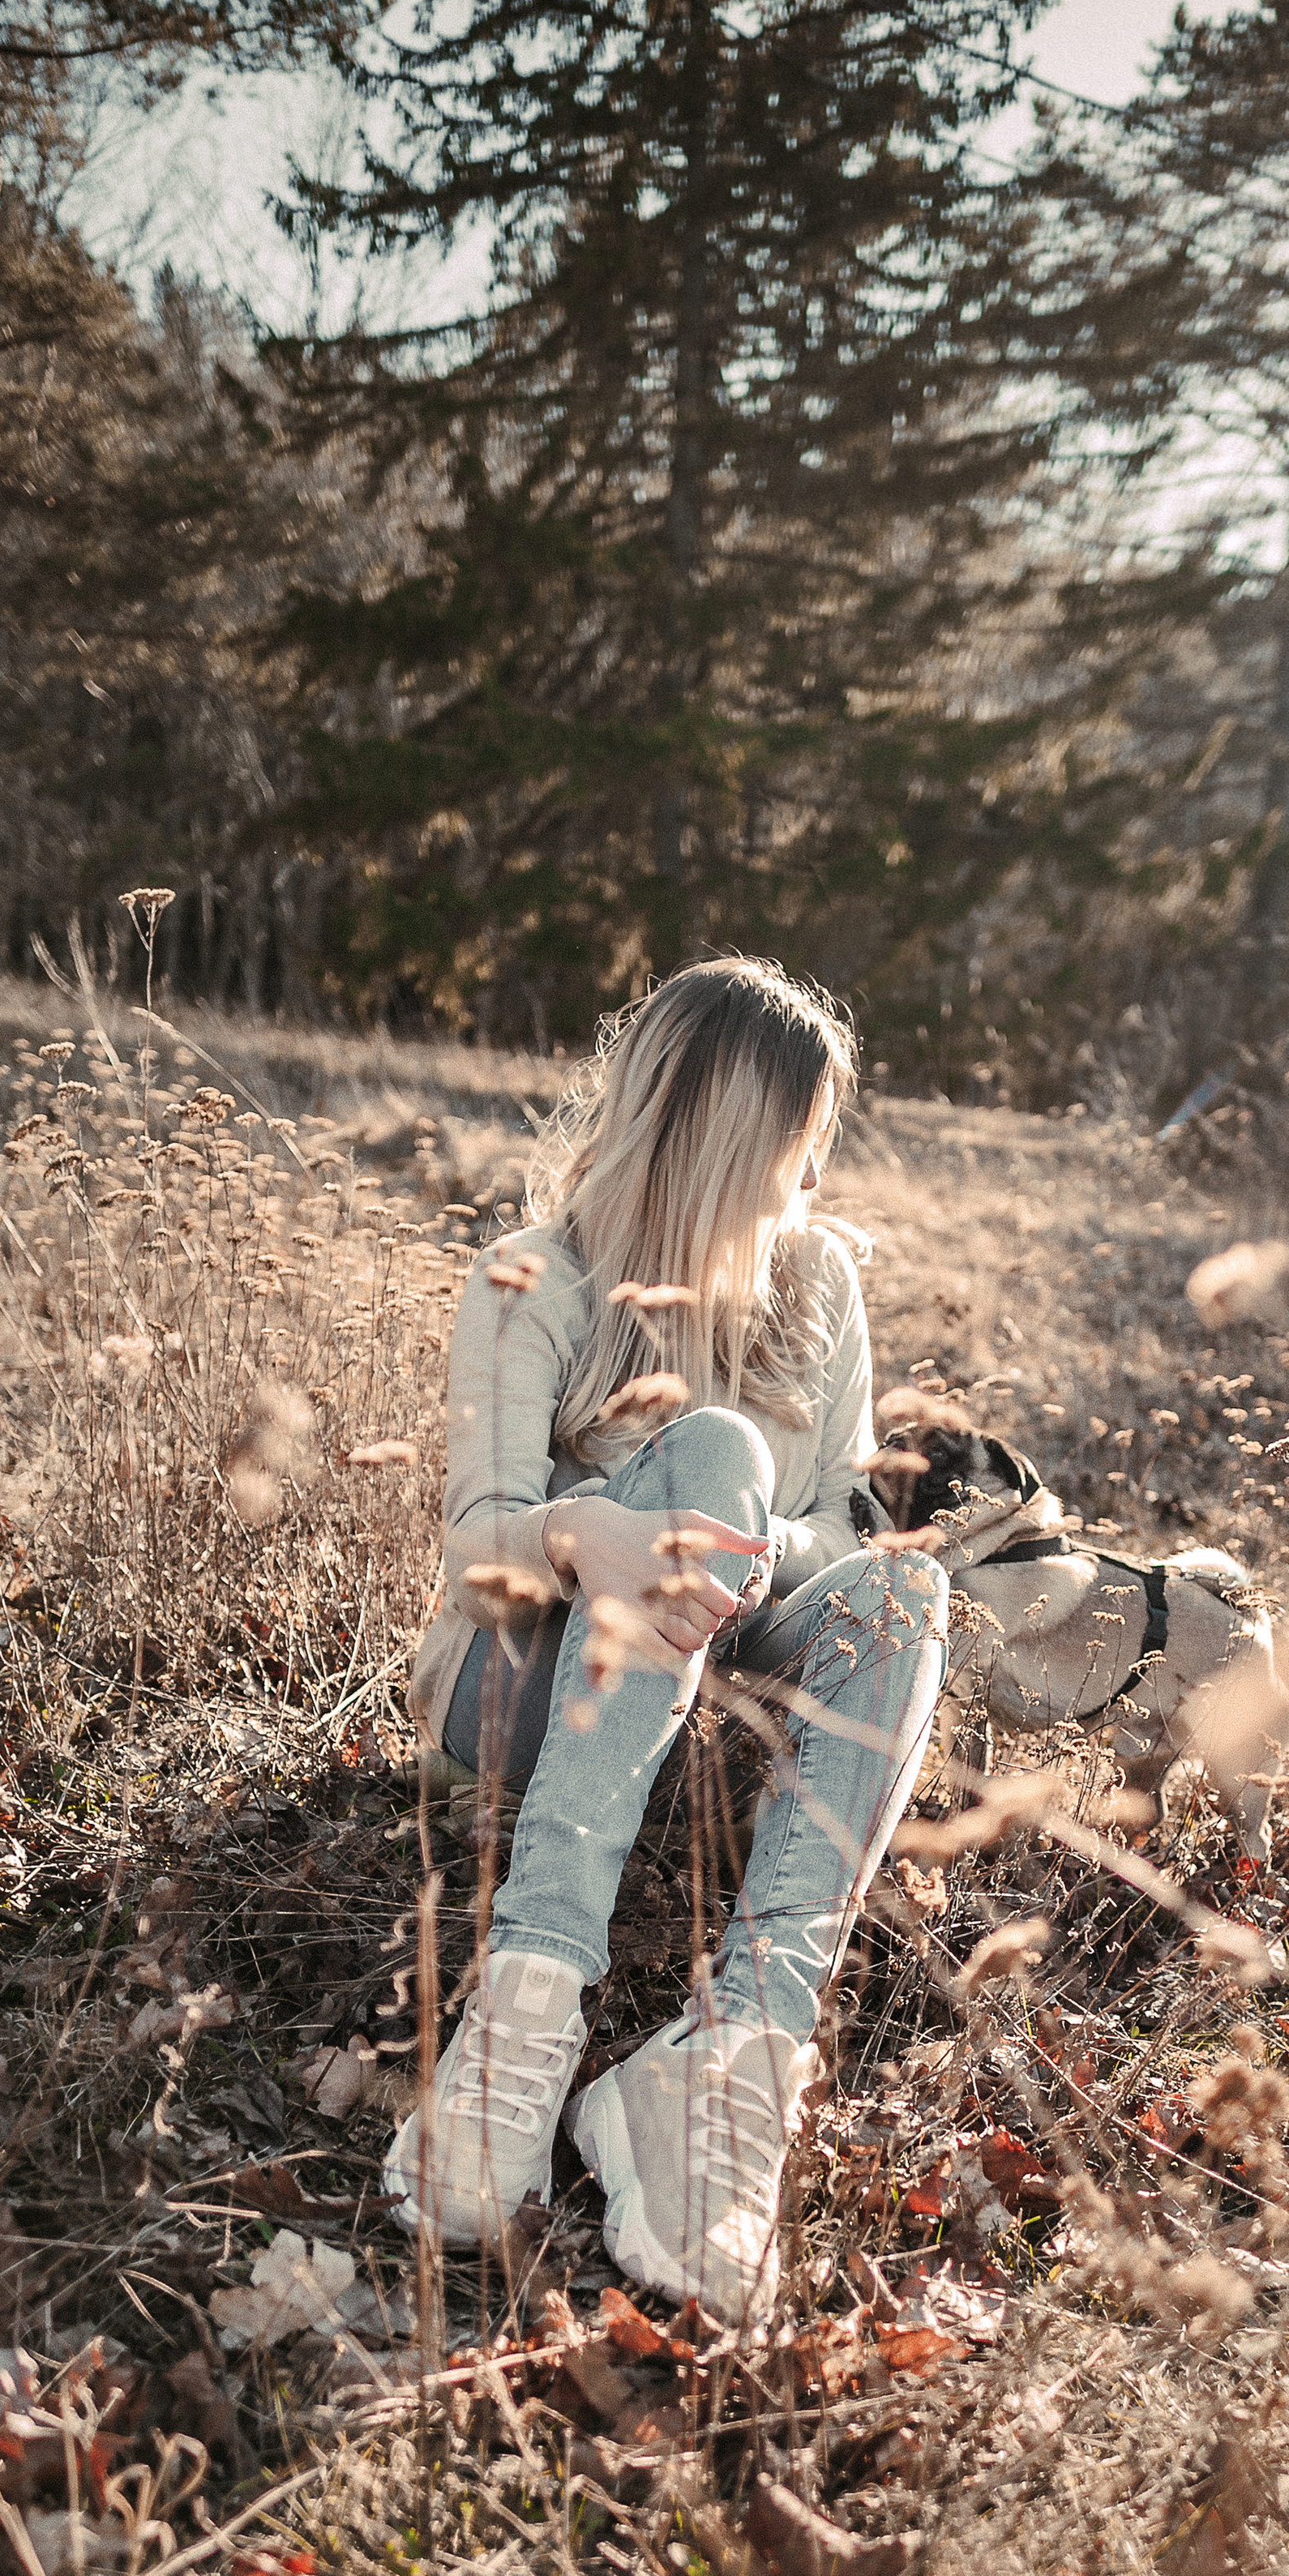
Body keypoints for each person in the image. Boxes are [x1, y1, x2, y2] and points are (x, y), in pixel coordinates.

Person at [386, 957, 949, 2326]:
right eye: (798, 1143)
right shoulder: (534, 1278)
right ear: (723, 1138)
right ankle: (522, 2018)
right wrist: (595, 1531)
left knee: (905, 1590)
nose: (809, 1179)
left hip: (722, 1675)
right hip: (522, 1683)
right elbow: (478, 1545)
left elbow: (840, 1521)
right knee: (714, 1443)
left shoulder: (818, 1281)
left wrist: (729, 1545)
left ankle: (736, 2057)